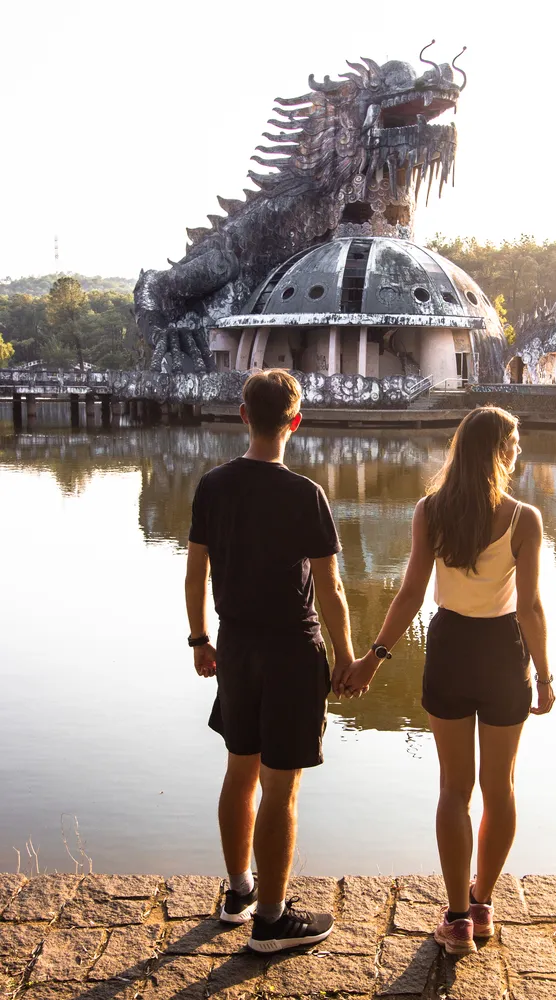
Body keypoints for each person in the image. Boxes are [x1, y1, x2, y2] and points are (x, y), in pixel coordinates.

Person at [339, 406, 555, 955]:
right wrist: (547, 676)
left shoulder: (430, 511)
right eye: (516, 442)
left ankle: (457, 917)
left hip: (451, 647)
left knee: (453, 789)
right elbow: (529, 608)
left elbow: (411, 592)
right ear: (501, 451)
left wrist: (372, 658)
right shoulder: (523, 518)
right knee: (499, 785)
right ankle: (482, 905)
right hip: (504, 651)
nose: (520, 450)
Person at [185, 369, 354, 954]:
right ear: (295, 422)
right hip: (290, 647)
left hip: (234, 645)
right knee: (281, 789)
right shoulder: (305, 493)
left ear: (242, 415)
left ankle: (238, 894)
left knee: (240, 770)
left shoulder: (212, 485)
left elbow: (195, 570)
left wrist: (199, 639)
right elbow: (330, 589)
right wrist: (348, 655)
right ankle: (273, 921)